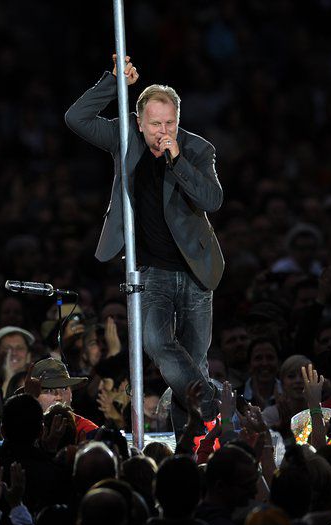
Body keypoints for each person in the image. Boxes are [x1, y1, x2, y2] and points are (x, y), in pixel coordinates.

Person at [65, 55, 224, 434]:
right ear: (140, 122)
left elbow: (212, 200)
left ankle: (191, 443)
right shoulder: (125, 138)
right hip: (152, 269)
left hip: (197, 269)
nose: (163, 131)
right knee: (156, 342)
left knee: (193, 358)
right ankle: (203, 396)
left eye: (170, 122)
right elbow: (76, 118)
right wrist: (114, 82)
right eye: (155, 124)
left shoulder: (197, 149)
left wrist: (177, 159)